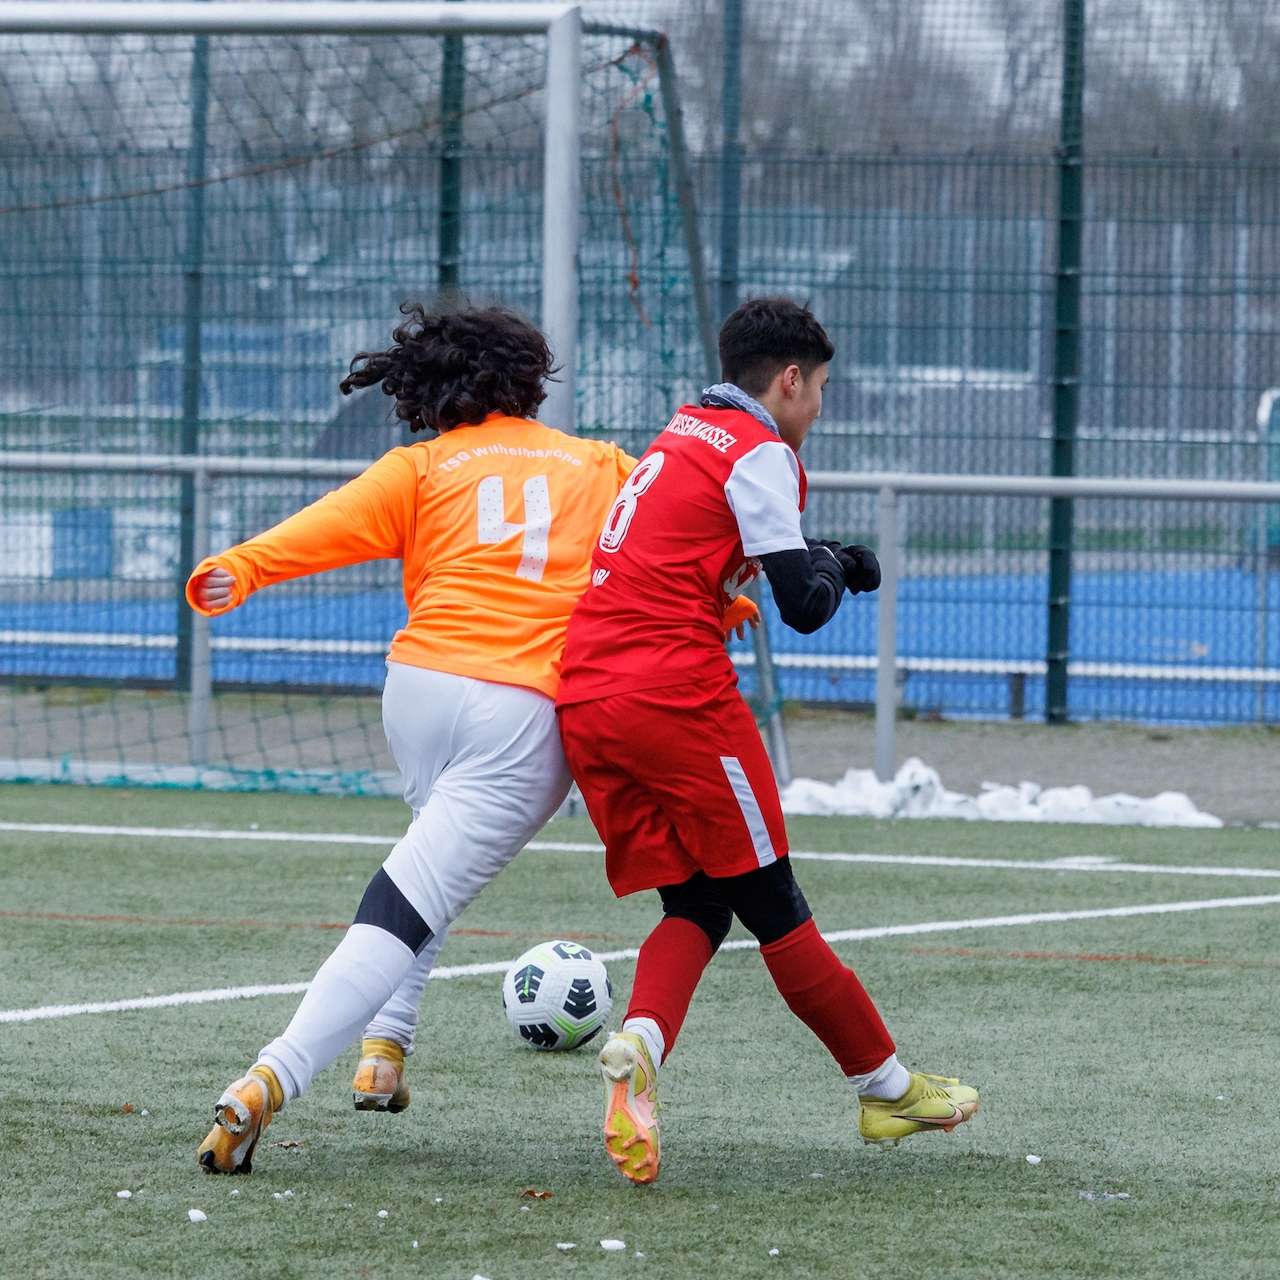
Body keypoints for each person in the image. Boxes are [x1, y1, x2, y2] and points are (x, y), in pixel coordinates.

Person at [187, 303, 702, 1175]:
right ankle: (272, 1076)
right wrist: (726, 600)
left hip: (420, 689)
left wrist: (243, 565)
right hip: (523, 711)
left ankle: (386, 1048)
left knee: (427, 875)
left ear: (429, 389)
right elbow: (671, 545)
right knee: (414, 893)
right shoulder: (600, 463)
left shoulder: (423, 465)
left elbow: (330, 522)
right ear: (531, 380)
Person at [556, 296, 979, 1185]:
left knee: (699, 905)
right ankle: (886, 1088)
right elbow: (806, 606)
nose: (819, 406)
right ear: (789, 379)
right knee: (774, 901)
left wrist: (828, 555)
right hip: (675, 699)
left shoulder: (685, 432)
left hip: (588, 696)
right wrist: (834, 569)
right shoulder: (761, 451)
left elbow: (727, 545)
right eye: (819, 388)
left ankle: (639, 1047)